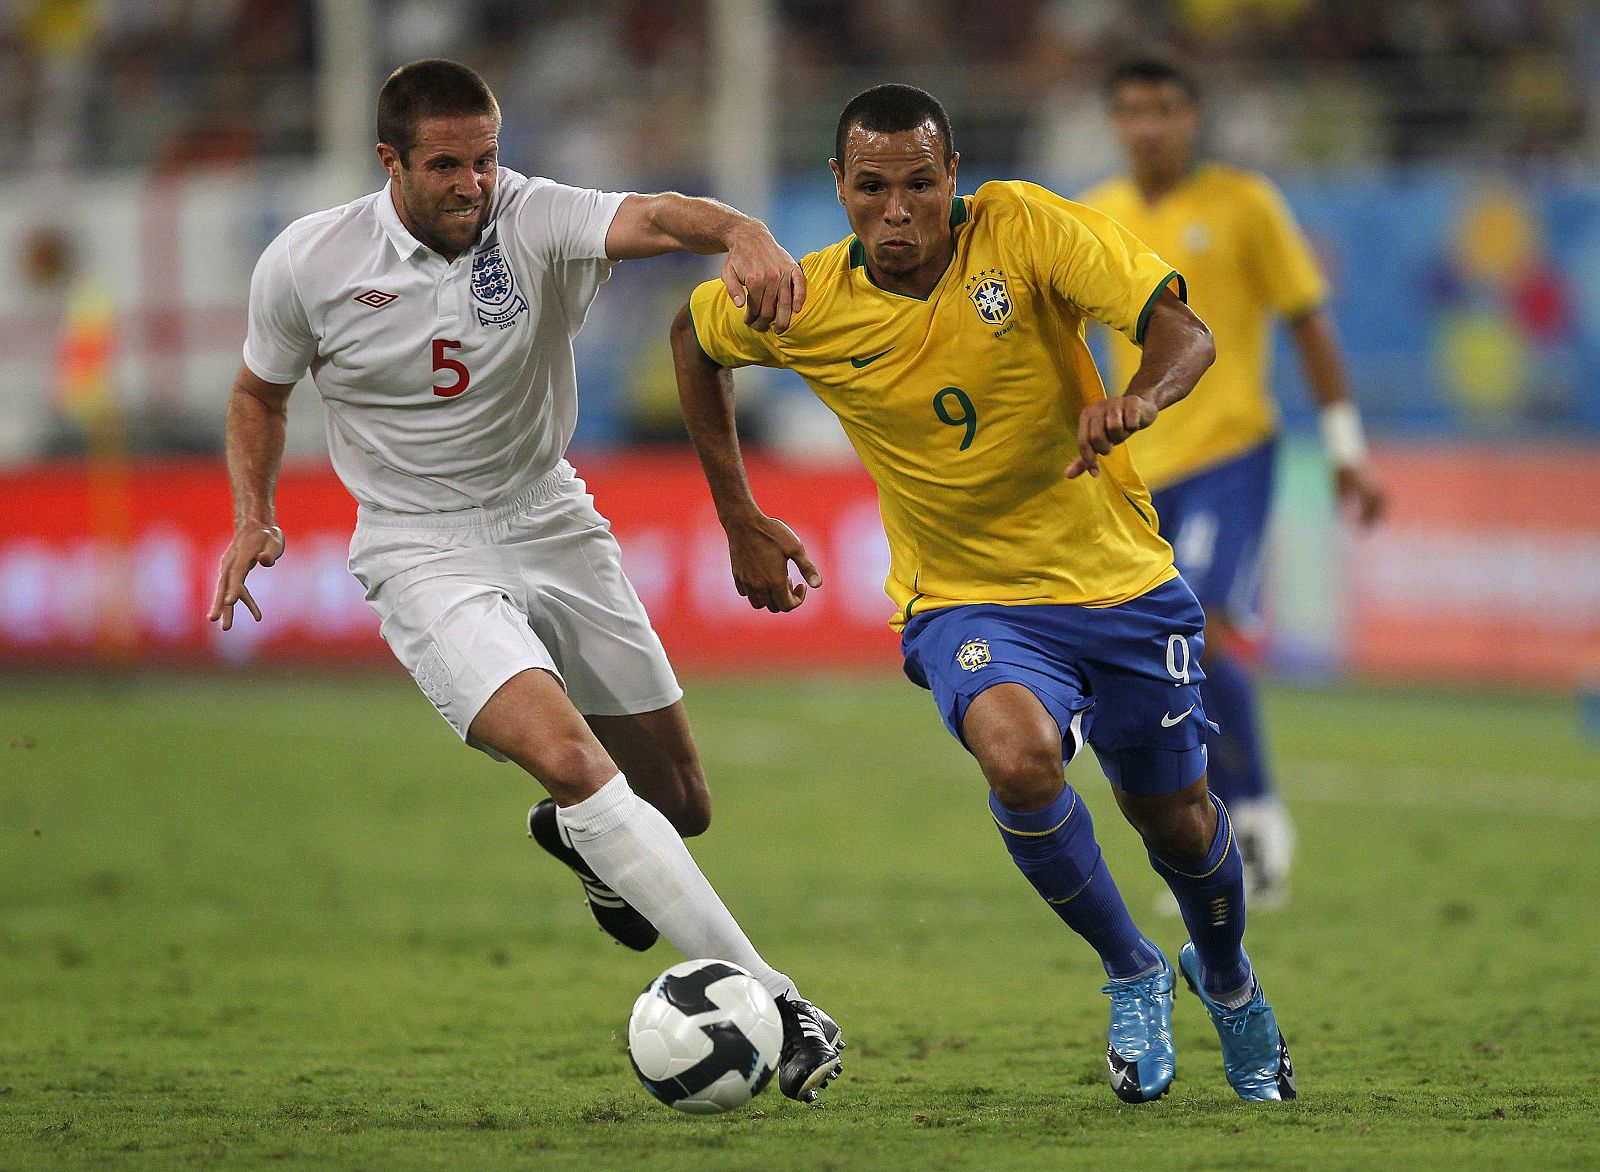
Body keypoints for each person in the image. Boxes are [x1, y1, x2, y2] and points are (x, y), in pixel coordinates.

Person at [206, 58, 843, 1103]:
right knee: (569, 756)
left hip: (550, 515)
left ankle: (581, 840)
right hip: (421, 546)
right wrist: (251, 514)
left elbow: (656, 214)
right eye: (447, 164)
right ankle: (779, 999)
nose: (473, 184)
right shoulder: (309, 262)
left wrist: (741, 231)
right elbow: (256, 393)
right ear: (391, 164)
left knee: (678, 804)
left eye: (486, 158)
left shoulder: (533, 215)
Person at [671, 83, 1294, 1103]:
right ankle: (1132, 969)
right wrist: (738, 514)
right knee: (1018, 756)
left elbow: (1184, 331)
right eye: (871, 188)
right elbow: (693, 342)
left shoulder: (1024, 226)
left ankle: (1225, 979)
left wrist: (1137, 397)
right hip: (965, 598)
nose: (898, 210)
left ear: (952, 176)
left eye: (919, 183)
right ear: (837, 186)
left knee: (1176, 818)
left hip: (1119, 579)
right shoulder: (807, 300)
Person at [1079, 56, 1385, 908]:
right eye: (1133, 109)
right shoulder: (1095, 216)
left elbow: (1308, 322)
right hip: (1137, 470)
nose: (1150, 125)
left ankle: (1253, 818)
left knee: (1202, 628)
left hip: (1230, 453)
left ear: (1194, 116)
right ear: (1113, 122)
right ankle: (1207, 825)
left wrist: (1346, 447)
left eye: (1166, 108)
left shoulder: (1246, 204)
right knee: (1155, 651)